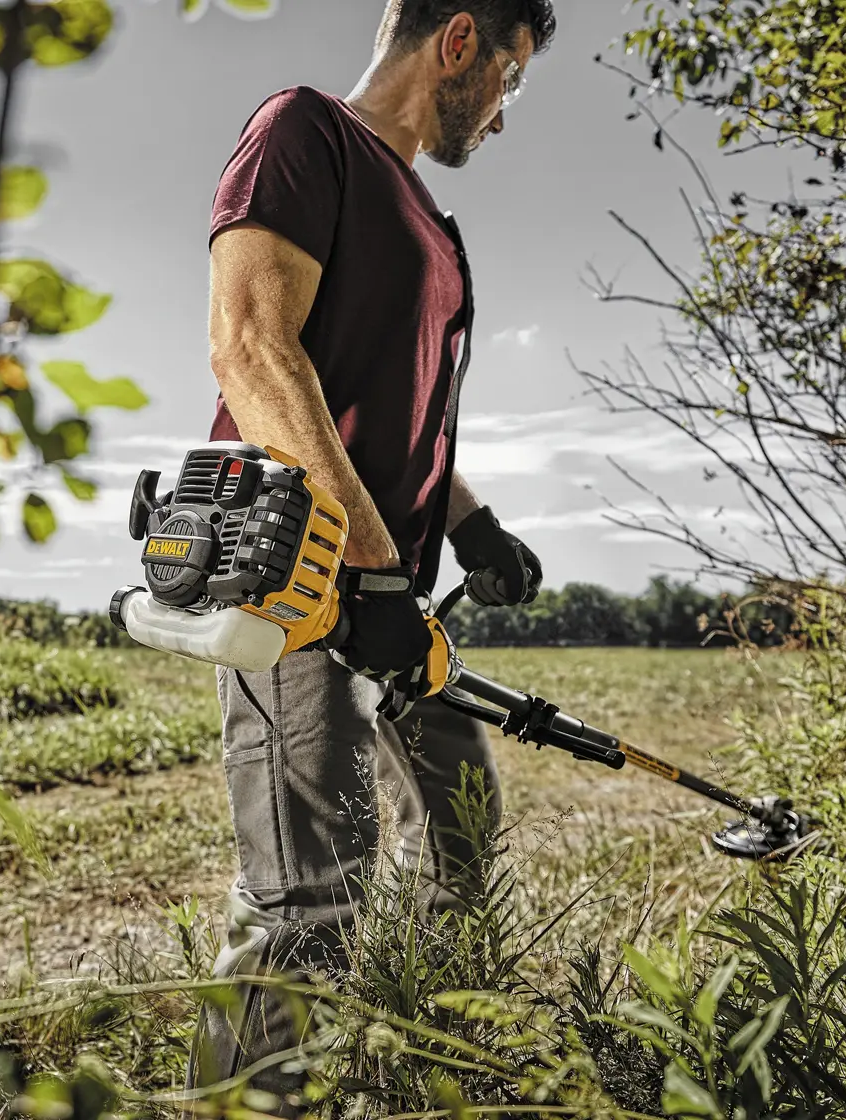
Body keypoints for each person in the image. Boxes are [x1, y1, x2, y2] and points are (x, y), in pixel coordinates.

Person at [189, 1, 556, 1112]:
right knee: (309, 899)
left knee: (458, 830)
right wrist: (376, 567)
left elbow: (391, 415)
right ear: (459, 42)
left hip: (392, 591)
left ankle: (421, 1058)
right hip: (301, 581)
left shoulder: (428, 223)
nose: (504, 114)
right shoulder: (306, 133)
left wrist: (470, 523)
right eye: (510, 78)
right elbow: (252, 349)